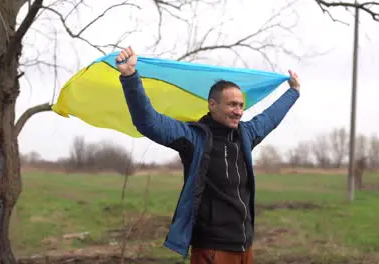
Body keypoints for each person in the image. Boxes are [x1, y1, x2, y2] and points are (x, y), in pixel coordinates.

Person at [116, 47, 300, 264]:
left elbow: (270, 117)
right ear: (213, 105)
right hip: (212, 249)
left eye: (241, 105)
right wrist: (130, 78)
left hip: (245, 246)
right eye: (232, 104)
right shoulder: (194, 138)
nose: (239, 111)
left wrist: (293, 92)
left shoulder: (246, 135)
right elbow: (149, 122)